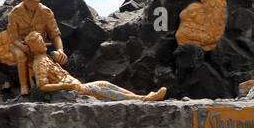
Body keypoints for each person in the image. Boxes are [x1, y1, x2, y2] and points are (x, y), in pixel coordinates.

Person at [23, 32, 166, 102]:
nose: (44, 43)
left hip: (79, 86)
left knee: (105, 83)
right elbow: (42, 86)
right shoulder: (39, 63)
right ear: (34, 47)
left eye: (42, 40)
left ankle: (143, 97)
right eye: (40, 42)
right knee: (104, 91)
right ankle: (143, 99)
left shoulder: (46, 58)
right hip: (75, 90)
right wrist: (64, 87)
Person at [0, 0, 66, 95]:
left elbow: (55, 34)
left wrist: (60, 51)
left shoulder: (46, 12)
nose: (34, 4)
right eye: (31, 1)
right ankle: (24, 87)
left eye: (37, 1)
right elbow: (13, 37)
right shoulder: (15, 13)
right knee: (21, 56)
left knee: (56, 58)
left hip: (41, 45)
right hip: (20, 45)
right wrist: (22, 46)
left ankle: (57, 84)